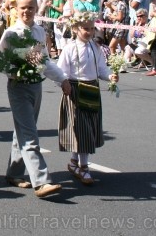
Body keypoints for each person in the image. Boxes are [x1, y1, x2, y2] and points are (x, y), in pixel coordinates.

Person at [0, 0, 70, 198]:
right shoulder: (11, 33)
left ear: (36, 8)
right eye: (23, 8)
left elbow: (44, 60)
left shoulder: (39, 31)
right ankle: (41, 181)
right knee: (29, 135)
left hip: (35, 86)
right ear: (16, 9)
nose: (27, 11)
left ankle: (14, 173)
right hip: (18, 86)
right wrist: (15, 71)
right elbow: (0, 60)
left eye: (30, 7)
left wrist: (62, 79)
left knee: (22, 129)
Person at [56, 12, 118, 186]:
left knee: (88, 126)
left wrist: (110, 76)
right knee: (80, 127)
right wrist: (64, 83)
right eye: (85, 28)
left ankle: (74, 162)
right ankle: (84, 167)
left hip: (92, 89)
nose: (89, 32)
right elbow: (61, 72)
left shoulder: (96, 48)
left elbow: (101, 69)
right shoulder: (69, 48)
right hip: (75, 89)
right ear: (76, 29)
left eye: (92, 28)